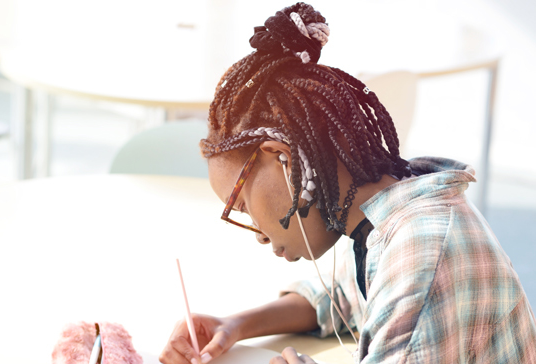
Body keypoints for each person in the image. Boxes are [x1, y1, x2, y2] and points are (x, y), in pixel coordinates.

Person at [159, 2, 536, 364]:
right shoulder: (386, 210)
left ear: (282, 158)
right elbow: (340, 298)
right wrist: (235, 325)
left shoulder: (423, 255)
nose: (257, 233)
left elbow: (402, 290)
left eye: (240, 207)